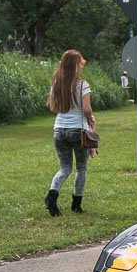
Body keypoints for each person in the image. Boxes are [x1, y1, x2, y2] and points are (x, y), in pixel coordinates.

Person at [46, 50, 96, 216]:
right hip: (78, 130)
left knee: (64, 168)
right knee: (81, 168)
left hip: (59, 130)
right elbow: (87, 109)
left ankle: (51, 198)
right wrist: (90, 117)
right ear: (74, 66)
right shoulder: (83, 85)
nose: (81, 67)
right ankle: (76, 204)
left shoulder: (56, 84)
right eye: (80, 64)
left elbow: (54, 108)